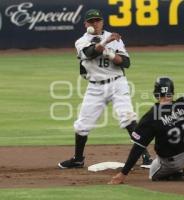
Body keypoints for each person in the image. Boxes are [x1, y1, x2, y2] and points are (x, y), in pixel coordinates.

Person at [58, 9, 152, 169]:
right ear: (85, 24)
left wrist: (111, 54)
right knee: (82, 125)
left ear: (102, 22)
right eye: (91, 21)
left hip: (117, 83)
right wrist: (106, 43)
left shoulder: (115, 39)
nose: (94, 23)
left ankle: (146, 157)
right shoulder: (81, 41)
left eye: (97, 20)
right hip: (95, 87)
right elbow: (90, 52)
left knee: (128, 118)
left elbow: (126, 62)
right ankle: (78, 159)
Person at [109, 47, 184, 184]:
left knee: (153, 174)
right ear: (172, 92)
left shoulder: (152, 117)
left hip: (172, 162)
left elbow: (138, 147)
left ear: (156, 94)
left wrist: (123, 174)